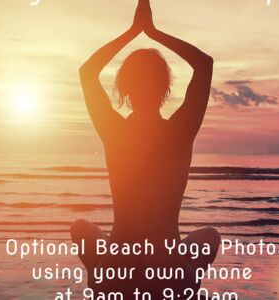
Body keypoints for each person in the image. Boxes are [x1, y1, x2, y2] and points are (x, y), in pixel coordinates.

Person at [72, 0, 219, 297]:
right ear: (165, 89)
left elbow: (88, 72)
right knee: (210, 237)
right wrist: (152, 32)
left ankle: (99, 276)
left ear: (124, 90)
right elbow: (204, 64)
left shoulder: (115, 131)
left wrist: (132, 31)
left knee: (81, 228)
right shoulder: (179, 131)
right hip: (170, 273)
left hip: (115, 273)